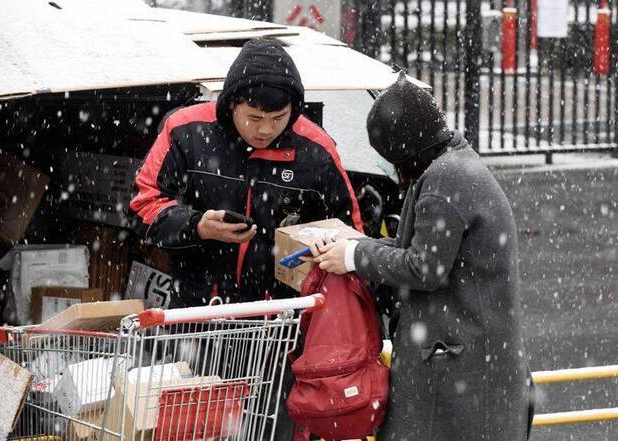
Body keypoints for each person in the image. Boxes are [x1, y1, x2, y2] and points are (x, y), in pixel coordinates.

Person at [308, 72, 533, 440]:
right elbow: (409, 249)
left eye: (394, 161)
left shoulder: (444, 181)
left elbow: (423, 266)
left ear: (408, 150)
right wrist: (353, 246)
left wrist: (353, 256)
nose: (396, 174)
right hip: (471, 360)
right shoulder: (451, 164)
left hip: (460, 366)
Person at [128, 39, 363, 308]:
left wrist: (318, 248)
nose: (265, 130)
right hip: (196, 309)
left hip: (281, 319)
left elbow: (351, 235)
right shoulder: (186, 130)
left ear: (293, 110)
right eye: (254, 117)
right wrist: (197, 226)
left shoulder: (317, 149)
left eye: (278, 118)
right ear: (231, 104)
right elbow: (141, 206)